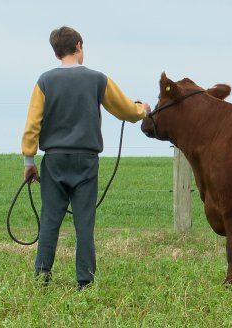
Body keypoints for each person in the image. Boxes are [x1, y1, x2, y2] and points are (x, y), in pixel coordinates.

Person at [21, 26, 151, 290]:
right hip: (86, 160)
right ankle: (85, 283)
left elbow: (32, 124)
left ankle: (41, 279)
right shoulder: (98, 79)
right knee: (84, 223)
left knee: (49, 221)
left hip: (54, 160)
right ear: (79, 45)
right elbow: (125, 110)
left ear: (56, 51)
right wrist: (143, 110)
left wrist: (29, 162)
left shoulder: (44, 81)